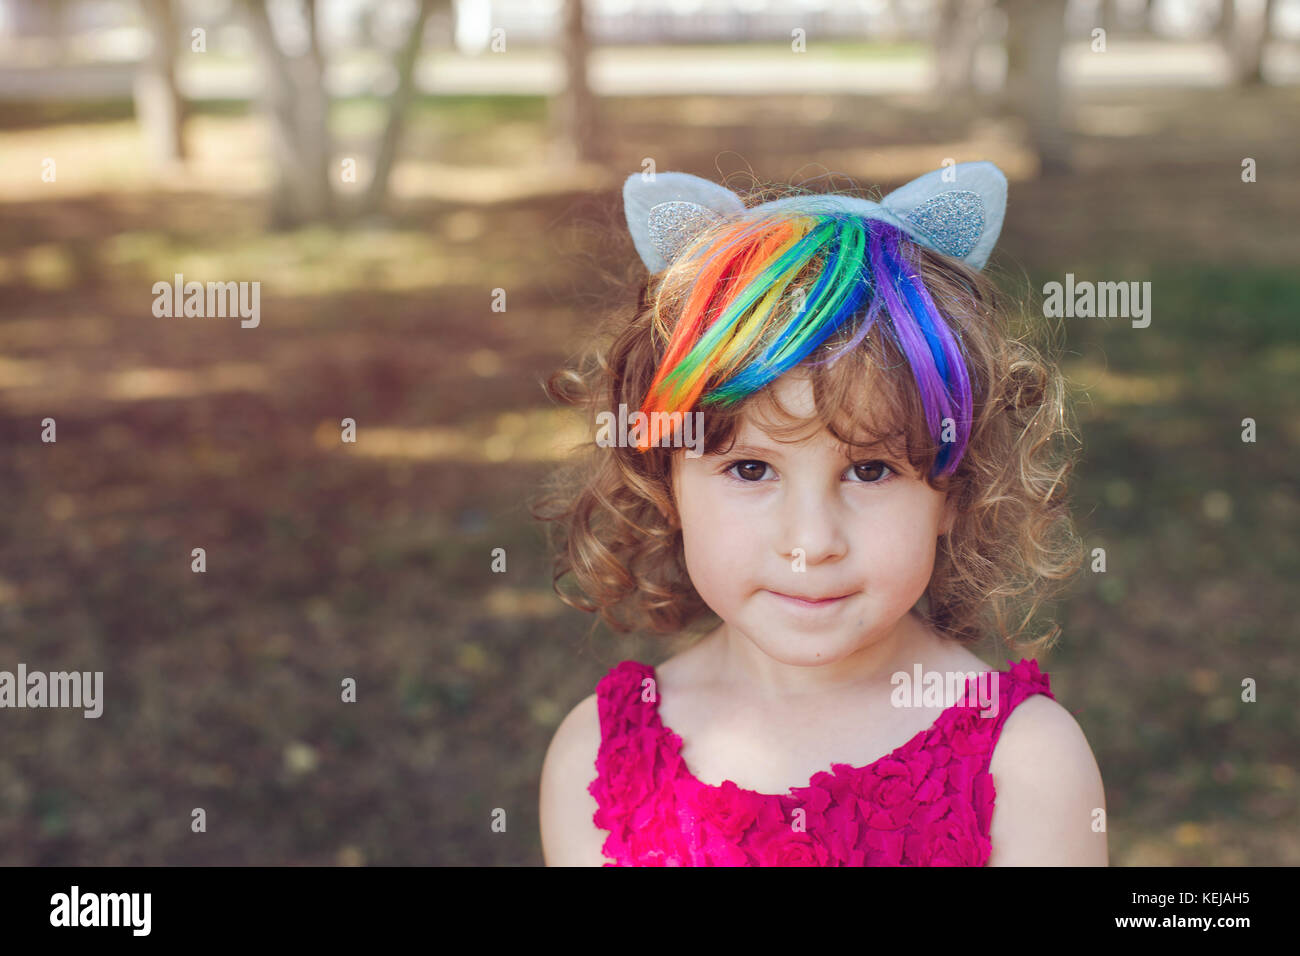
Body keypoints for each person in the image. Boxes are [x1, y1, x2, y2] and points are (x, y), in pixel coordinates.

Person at [537, 162, 1107, 865]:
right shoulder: (598, 759)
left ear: (957, 491)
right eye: (750, 469)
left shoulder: (1024, 765)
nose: (811, 542)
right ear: (666, 480)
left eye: (871, 470)